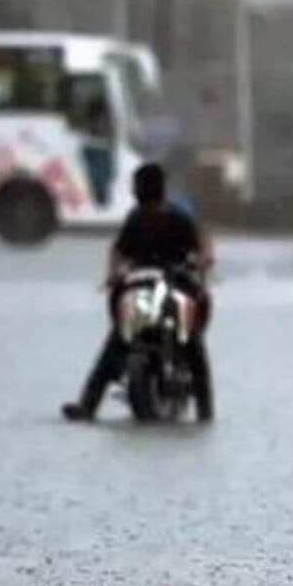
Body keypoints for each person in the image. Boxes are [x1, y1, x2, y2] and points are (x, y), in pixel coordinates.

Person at [61, 163, 214, 422]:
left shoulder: (176, 218)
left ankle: (205, 410)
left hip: (174, 285)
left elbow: (203, 244)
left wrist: (201, 265)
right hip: (142, 288)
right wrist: (114, 275)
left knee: (190, 342)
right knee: (119, 339)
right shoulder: (137, 218)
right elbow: (118, 251)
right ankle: (88, 404)